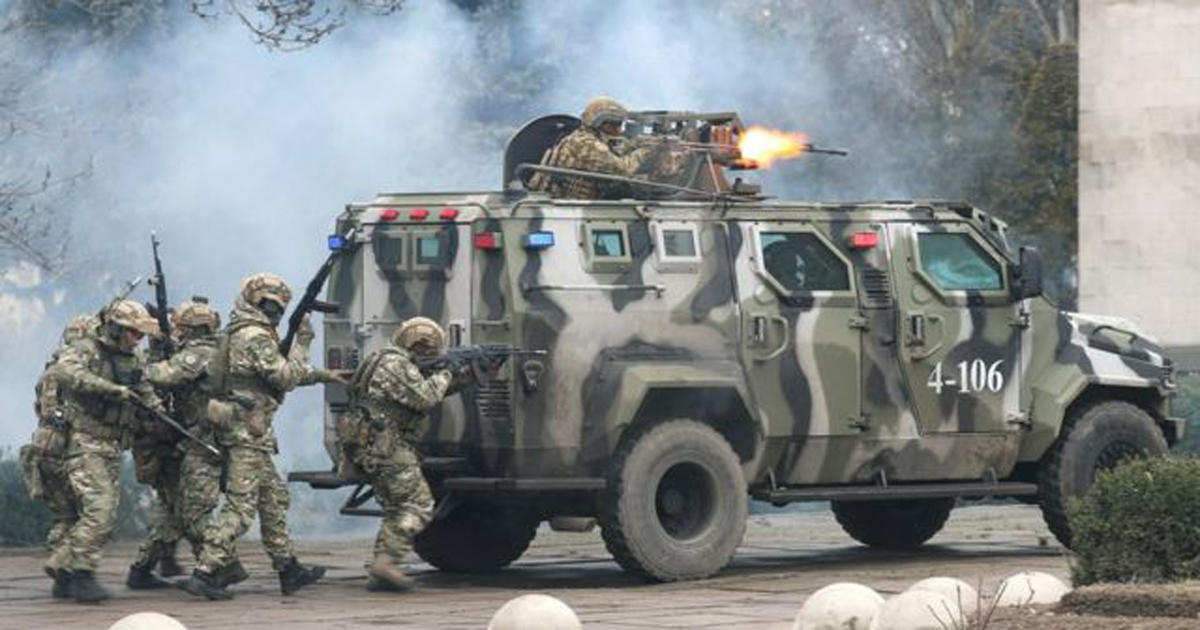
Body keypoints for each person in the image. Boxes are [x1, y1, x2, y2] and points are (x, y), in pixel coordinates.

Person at [183, 273, 338, 600]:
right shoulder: (255, 335)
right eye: (270, 305)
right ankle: (206, 570)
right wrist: (305, 342)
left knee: (272, 500)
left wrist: (324, 375)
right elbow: (284, 377)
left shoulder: (240, 331)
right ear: (256, 302)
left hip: (245, 429)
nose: (276, 312)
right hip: (246, 432)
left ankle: (288, 568)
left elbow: (265, 376)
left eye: (279, 306)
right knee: (240, 509)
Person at [47, 300, 163, 603]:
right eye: (133, 333)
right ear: (115, 327)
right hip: (85, 441)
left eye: (141, 335)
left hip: (112, 445)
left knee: (103, 513)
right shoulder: (87, 349)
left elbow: (146, 390)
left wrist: (159, 415)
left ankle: (65, 574)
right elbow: (66, 372)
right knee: (100, 510)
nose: (137, 340)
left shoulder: (133, 358)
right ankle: (82, 574)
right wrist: (110, 389)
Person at [336, 316, 463, 591]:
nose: (430, 354)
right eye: (428, 349)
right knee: (418, 504)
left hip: (372, 446)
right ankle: (387, 562)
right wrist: (447, 372)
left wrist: (463, 377)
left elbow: (413, 394)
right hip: (388, 447)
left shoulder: (380, 358)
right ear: (417, 343)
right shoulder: (396, 364)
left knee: (395, 508)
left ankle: (381, 568)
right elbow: (424, 398)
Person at [130, 299, 248, 589]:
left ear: (194, 330)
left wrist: (133, 366)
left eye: (181, 328)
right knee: (173, 509)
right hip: (184, 439)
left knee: (190, 512)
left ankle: (218, 567)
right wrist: (159, 345)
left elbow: (163, 374)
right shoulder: (200, 350)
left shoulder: (201, 353)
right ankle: (148, 569)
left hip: (200, 442)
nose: (177, 333)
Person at [20, 314, 99, 599]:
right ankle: (65, 565)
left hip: (41, 447)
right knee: (91, 512)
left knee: (65, 515)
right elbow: (64, 413)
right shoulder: (71, 371)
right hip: (64, 447)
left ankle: (62, 577)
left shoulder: (49, 369)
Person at [528, 96, 660, 200]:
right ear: (598, 123)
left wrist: (640, 142)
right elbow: (623, 169)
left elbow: (619, 146)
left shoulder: (582, 137)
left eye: (620, 125)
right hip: (570, 206)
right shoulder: (586, 145)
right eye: (613, 125)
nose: (618, 130)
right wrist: (647, 151)